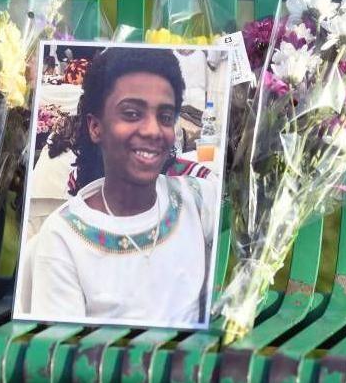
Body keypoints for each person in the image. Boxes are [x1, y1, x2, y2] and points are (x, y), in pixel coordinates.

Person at [25, 47, 219, 326]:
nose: (153, 130)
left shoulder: (197, 200)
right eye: (131, 113)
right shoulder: (63, 240)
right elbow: (61, 359)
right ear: (95, 127)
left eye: (165, 117)